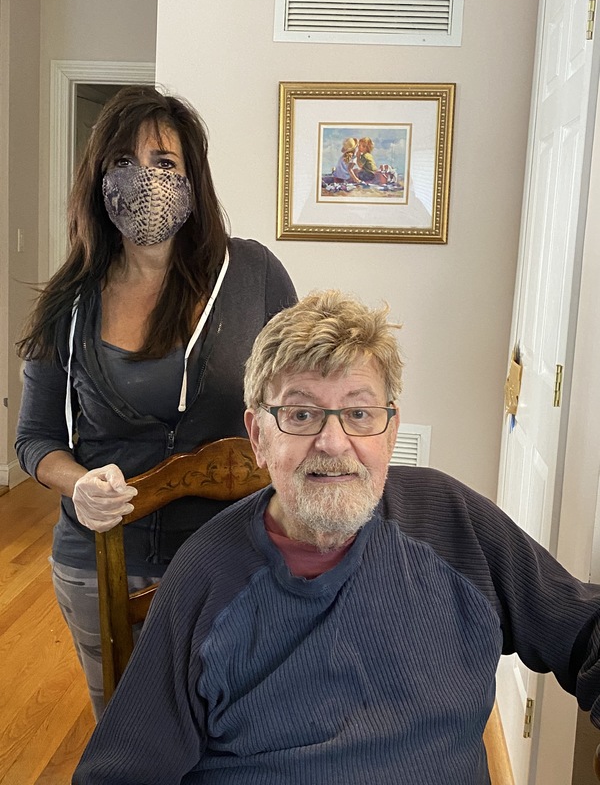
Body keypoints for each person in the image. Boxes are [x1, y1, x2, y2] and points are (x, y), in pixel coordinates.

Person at [73, 290, 600, 784]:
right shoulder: (206, 576)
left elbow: (584, 628)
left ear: (390, 432)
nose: (332, 442)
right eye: (300, 414)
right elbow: (121, 772)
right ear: (258, 436)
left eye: (358, 413)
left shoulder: (453, 523)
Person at [15, 85, 296, 720]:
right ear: (99, 182)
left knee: (235, 733)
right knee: (131, 735)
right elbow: (34, 440)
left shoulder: (251, 275)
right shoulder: (72, 300)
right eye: (124, 162)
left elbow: (301, 396)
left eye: (165, 163)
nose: (146, 179)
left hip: (237, 563)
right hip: (102, 566)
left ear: (194, 178)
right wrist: (79, 485)